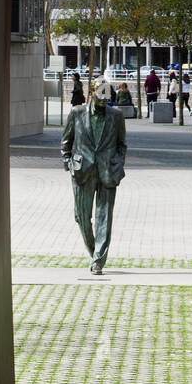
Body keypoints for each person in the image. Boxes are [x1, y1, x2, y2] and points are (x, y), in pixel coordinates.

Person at [60, 76, 127, 275]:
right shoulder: (77, 113)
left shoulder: (116, 115)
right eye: (101, 95)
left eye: (107, 96)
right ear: (92, 93)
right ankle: (94, 252)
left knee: (104, 217)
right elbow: (66, 142)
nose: (104, 99)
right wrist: (69, 164)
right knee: (81, 216)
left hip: (108, 172)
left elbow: (121, 145)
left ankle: (98, 259)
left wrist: (117, 164)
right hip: (82, 172)